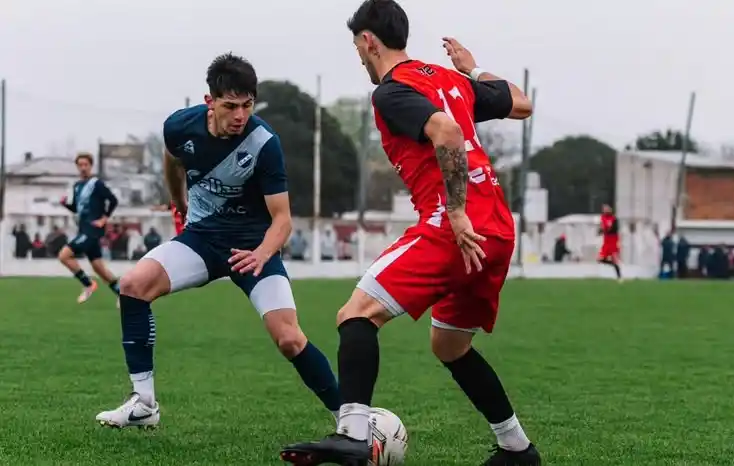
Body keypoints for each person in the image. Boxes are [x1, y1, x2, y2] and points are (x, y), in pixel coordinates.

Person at [280, 2, 539, 465]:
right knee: (450, 345)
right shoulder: (451, 80)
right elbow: (522, 104)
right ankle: (517, 448)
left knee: (356, 313)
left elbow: (447, 132)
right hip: (498, 228)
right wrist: (473, 69)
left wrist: (455, 212)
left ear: (368, 41)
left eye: (357, 48)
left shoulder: (392, 91)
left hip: (456, 227)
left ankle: (354, 434)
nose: (360, 58)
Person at [94, 53, 341, 429]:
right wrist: (178, 201)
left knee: (289, 339)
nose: (240, 115)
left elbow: (283, 219)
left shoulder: (264, 143)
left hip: (253, 250)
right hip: (202, 241)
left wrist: (262, 253)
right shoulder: (180, 126)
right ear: (210, 101)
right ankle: (143, 405)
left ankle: (349, 417)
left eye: (247, 105)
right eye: (230, 106)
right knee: (132, 287)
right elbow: (172, 157)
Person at [59, 153, 121, 305]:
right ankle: (124, 294)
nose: (83, 168)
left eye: (85, 165)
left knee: (64, 256)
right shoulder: (77, 186)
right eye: (80, 165)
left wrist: (104, 219)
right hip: (83, 229)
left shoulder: (96, 184)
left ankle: (88, 284)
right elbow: (77, 209)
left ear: (91, 166)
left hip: (92, 230)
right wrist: (66, 205)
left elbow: (113, 200)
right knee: (99, 268)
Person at [597, 204, 622, 281]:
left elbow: (614, 229)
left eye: (607, 209)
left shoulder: (614, 219)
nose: (605, 210)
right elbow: (602, 227)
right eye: (604, 209)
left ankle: (619, 277)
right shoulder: (602, 218)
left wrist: (606, 230)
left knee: (615, 259)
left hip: (613, 241)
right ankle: (613, 264)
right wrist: (600, 231)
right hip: (606, 242)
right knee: (600, 259)